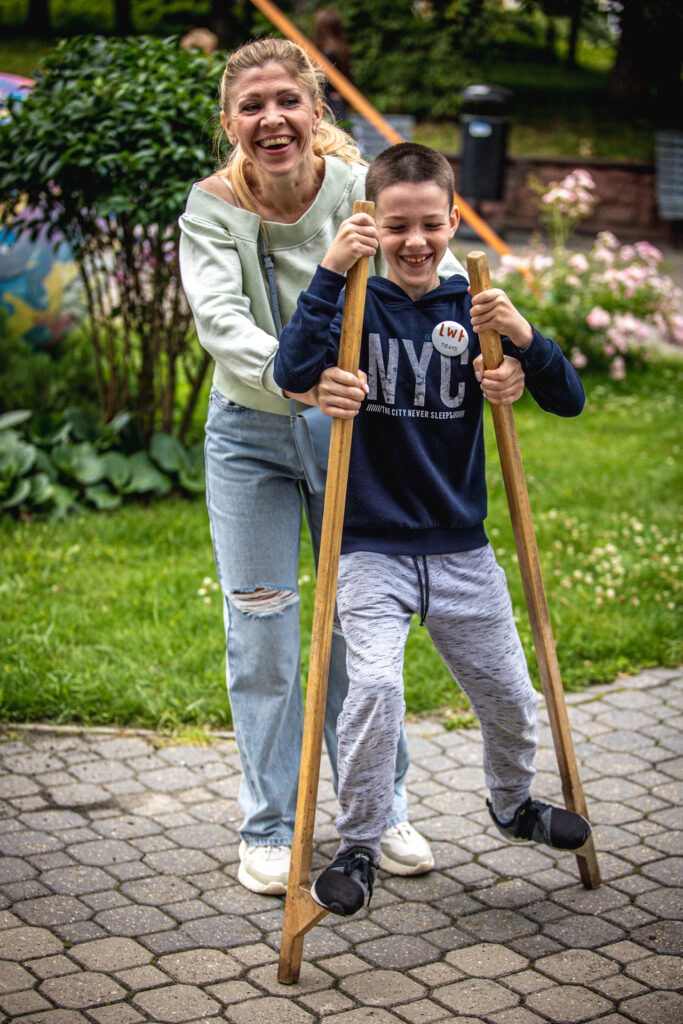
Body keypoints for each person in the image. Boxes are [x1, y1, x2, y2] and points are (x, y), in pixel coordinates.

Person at [178, 41, 469, 896]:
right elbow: (221, 322)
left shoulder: (356, 194)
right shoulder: (209, 209)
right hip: (251, 436)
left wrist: (491, 344)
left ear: (315, 108)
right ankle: (268, 826)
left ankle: (377, 810)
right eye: (251, 106)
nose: (272, 120)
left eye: (287, 101)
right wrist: (300, 374)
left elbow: (432, 269)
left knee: (357, 629)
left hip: (351, 435)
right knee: (263, 634)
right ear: (230, 122)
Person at [273, 142, 592, 917]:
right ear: (372, 227)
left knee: (512, 696)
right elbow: (290, 371)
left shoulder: (473, 310)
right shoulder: (353, 302)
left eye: (429, 225)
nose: (414, 242)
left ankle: (512, 805)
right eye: (395, 226)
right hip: (369, 545)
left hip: (459, 548)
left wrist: (522, 341)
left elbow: (569, 399)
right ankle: (359, 840)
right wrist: (325, 274)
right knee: (375, 686)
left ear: (453, 221)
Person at [312, 8, 352, 123]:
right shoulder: (342, 50)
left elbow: (323, 84)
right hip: (340, 102)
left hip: (330, 105)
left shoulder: (326, 54)